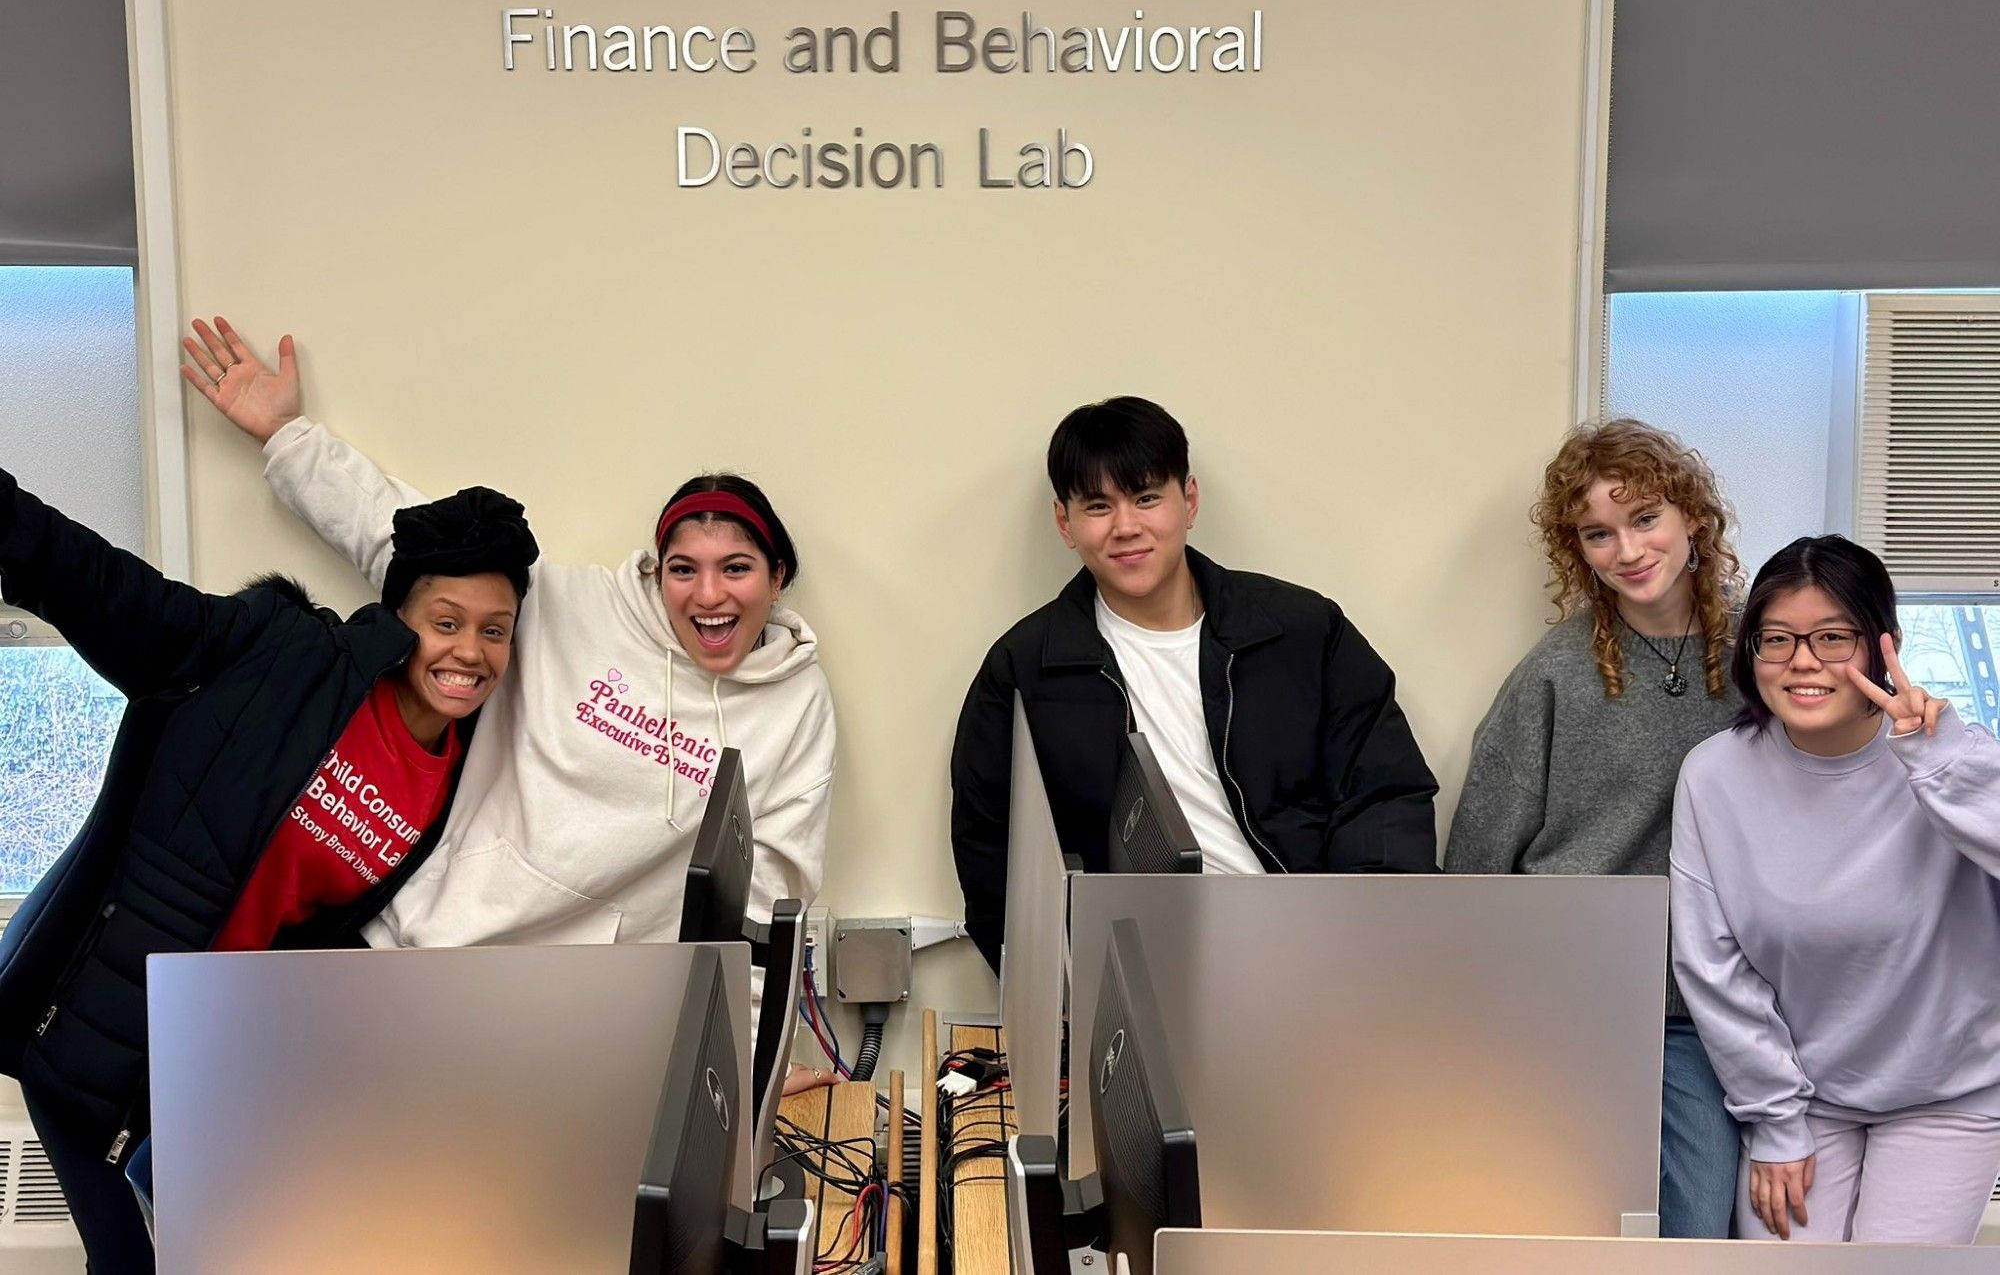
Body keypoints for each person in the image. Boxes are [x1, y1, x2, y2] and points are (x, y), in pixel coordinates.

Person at [0, 466, 537, 1271]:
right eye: (447, 621)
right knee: (126, 1261)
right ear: (400, 618)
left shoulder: (455, 767)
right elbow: (102, 586)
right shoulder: (281, 657)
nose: (469, 651)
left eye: (494, 630)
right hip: (90, 1016)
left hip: (202, 1049)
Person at [178, 316, 836, 959]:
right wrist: (288, 437)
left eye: (737, 569)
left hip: (579, 1008)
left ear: (777, 577)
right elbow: (401, 537)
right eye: (684, 570)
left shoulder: (794, 706)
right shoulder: (571, 608)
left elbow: (766, 902)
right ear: (659, 572)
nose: (710, 595)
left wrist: (746, 1059)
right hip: (415, 946)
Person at [950, 396, 1438, 972]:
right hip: (1144, 980)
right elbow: (993, 859)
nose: (1127, 527)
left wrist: (1357, 945)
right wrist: (1065, 990)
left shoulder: (1303, 633)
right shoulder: (1024, 670)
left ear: (1190, 501)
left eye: (1147, 497)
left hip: (1319, 957)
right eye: (1099, 506)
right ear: (1066, 523)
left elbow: (1385, 793)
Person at [1444, 418, 1742, 1238]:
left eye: (1645, 518)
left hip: (1701, 1007)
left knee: (1701, 1226)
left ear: (1692, 519)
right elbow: (1476, 859)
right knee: (1554, 1225)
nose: (1627, 549)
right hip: (1562, 994)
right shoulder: (1555, 671)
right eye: (1597, 533)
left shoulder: (1764, 653)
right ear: (1577, 550)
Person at [1672, 535, 2000, 1245]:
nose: (1803, 662)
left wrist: (1937, 762)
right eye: (1779, 639)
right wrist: (1775, 1120)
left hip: (1948, 1094)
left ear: (1886, 644)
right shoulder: (1713, 775)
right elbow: (1712, 963)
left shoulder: (1952, 755)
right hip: (1803, 1095)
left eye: (1832, 637)